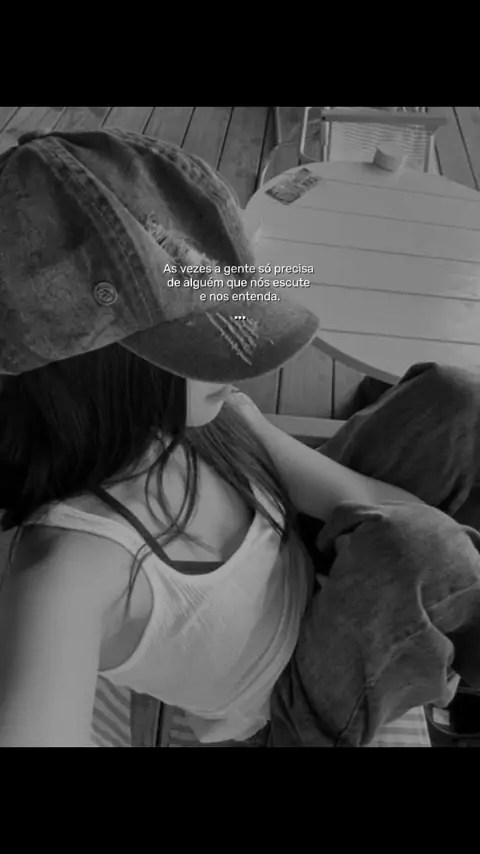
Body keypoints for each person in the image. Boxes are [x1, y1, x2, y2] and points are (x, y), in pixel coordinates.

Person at [0, 129, 479, 748]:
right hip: (291, 709)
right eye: (203, 343)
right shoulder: (71, 570)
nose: (241, 367)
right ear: (92, 371)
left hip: (315, 570)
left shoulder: (208, 421)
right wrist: (434, 574)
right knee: (420, 551)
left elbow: (360, 496)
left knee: (456, 402)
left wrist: (448, 586)